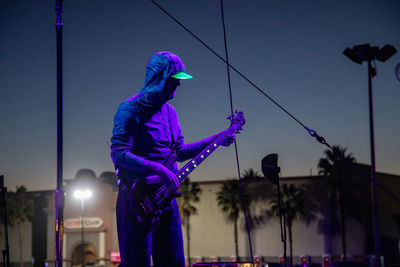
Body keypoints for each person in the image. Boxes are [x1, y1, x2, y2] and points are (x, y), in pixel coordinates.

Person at [110, 51, 234, 267]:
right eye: (174, 81)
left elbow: (181, 151)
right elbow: (118, 153)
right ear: (159, 78)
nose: (178, 87)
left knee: (174, 262)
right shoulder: (130, 108)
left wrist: (218, 138)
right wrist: (158, 170)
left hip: (166, 200)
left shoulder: (170, 113)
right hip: (136, 199)